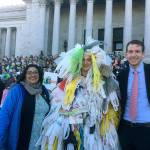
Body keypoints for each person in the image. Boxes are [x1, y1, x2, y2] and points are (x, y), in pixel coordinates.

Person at [36, 39, 120, 150]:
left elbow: (110, 105)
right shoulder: (69, 81)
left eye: (89, 60)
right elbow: (57, 103)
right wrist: (68, 112)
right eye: (83, 59)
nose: (85, 63)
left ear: (94, 61)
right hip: (73, 127)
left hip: (94, 128)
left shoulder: (102, 81)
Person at [0, 64, 50, 150]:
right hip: (21, 139)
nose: (33, 75)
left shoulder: (44, 91)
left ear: (40, 74)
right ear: (25, 75)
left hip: (40, 140)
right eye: (29, 73)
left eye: (35, 72)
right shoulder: (17, 90)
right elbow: (5, 115)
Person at [117, 40, 150, 150]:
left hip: (147, 130)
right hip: (125, 129)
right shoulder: (121, 75)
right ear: (126, 54)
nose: (134, 55)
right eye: (130, 52)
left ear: (142, 54)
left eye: (137, 51)